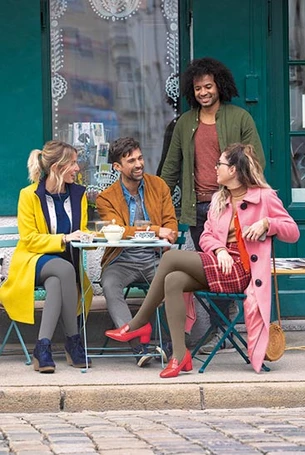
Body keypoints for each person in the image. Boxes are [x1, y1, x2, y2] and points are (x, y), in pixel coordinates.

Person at [105, 143, 299, 378]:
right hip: (220, 263)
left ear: (234, 170)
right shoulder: (220, 198)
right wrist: (219, 250)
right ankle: (180, 356)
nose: (215, 167)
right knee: (174, 280)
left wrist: (267, 224)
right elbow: (206, 235)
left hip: (242, 270)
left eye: (221, 164)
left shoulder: (264, 197)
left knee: (173, 257)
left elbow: (292, 232)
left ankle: (138, 324)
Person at [161, 57, 266, 352]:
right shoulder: (185, 122)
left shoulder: (239, 117)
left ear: (219, 85)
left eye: (208, 86)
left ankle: (221, 331)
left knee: (227, 268)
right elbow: (171, 167)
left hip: (231, 208)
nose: (203, 92)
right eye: (197, 88)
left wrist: (248, 201)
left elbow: (255, 161)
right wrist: (156, 203)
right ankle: (219, 329)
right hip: (198, 210)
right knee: (210, 270)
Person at [0, 140, 93, 373]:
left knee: (58, 280)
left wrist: (92, 237)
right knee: (64, 270)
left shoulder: (78, 196)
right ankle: (73, 340)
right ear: (57, 167)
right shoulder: (29, 195)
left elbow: (81, 231)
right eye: (72, 163)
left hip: (64, 267)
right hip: (33, 261)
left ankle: (42, 348)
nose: (77, 168)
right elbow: (29, 239)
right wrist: (64, 238)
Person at [95, 137, 178, 367]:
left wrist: (166, 232)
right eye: (131, 161)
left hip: (154, 257)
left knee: (173, 282)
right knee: (109, 284)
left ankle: (170, 344)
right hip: (121, 260)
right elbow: (118, 230)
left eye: (140, 158)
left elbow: (171, 227)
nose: (139, 164)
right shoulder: (105, 198)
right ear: (117, 167)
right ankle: (138, 345)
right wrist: (154, 229)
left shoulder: (159, 186)